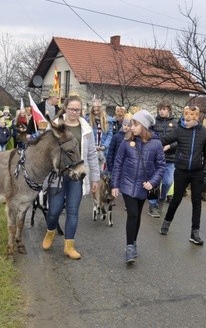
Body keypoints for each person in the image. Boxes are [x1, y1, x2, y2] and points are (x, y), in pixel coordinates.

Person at [41, 95, 100, 260]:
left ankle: (69, 246)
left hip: (77, 175)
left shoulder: (86, 129)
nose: (74, 112)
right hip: (58, 174)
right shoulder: (55, 126)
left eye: (78, 109)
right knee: (54, 210)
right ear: (65, 108)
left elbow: (92, 155)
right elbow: (45, 150)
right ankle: (50, 232)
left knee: (73, 211)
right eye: (71, 109)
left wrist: (95, 178)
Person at [111, 109, 166, 264]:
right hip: (127, 184)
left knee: (137, 214)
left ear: (144, 126)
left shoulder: (155, 144)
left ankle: (134, 242)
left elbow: (161, 166)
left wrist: (152, 182)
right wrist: (114, 184)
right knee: (133, 214)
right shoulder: (126, 142)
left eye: (135, 124)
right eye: (130, 124)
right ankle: (129, 247)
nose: (131, 127)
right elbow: (118, 164)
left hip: (143, 186)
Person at [159, 106, 206, 245]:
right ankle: (166, 222)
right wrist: (149, 140)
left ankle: (195, 232)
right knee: (176, 199)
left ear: (196, 118)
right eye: (185, 119)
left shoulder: (204, 133)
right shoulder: (179, 131)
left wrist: (205, 171)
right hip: (181, 170)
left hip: (197, 172)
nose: (186, 122)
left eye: (189, 120)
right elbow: (163, 140)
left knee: (197, 202)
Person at [147, 99, 177, 218]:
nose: (161, 111)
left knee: (167, 182)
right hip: (155, 157)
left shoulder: (175, 123)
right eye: (160, 109)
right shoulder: (153, 122)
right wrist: (157, 145)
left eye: (164, 109)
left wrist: (169, 146)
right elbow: (149, 136)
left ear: (169, 110)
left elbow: (179, 140)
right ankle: (152, 205)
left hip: (170, 158)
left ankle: (162, 198)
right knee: (154, 182)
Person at [87, 99, 113, 165]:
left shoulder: (108, 120)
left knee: (101, 169)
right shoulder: (89, 120)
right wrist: (94, 145)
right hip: (92, 149)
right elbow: (88, 135)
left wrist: (104, 146)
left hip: (103, 150)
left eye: (97, 110)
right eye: (94, 111)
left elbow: (109, 135)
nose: (96, 112)